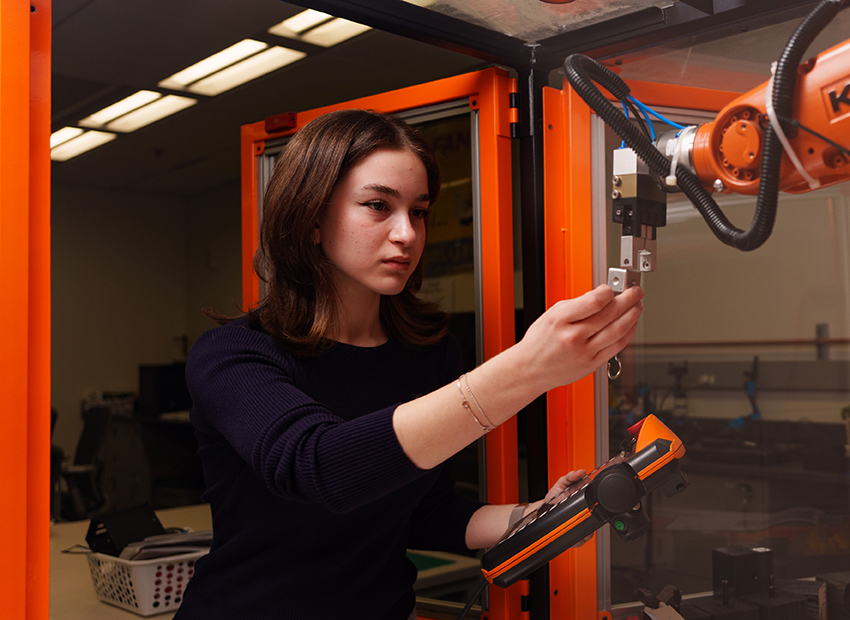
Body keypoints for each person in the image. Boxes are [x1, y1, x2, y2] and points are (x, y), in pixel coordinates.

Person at [175, 108, 643, 619]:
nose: (407, 234)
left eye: (418, 211)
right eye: (378, 205)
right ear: (310, 219)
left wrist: (534, 515)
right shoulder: (234, 354)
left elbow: (425, 512)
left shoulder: (429, 354)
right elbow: (319, 467)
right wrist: (528, 369)